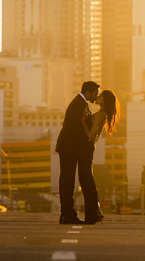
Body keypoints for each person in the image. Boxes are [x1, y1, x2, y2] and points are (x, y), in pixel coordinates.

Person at [56, 81, 99, 225]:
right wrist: (87, 136)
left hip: (70, 148)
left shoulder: (81, 102)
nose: (96, 96)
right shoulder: (78, 104)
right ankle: (67, 214)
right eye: (95, 93)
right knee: (67, 181)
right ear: (89, 91)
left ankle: (66, 214)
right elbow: (73, 127)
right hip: (69, 147)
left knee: (67, 180)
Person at [81, 89, 121, 224]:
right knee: (88, 180)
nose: (97, 96)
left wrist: (82, 121)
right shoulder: (102, 114)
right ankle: (96, 210)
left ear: (104, 100)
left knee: (87, 181)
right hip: (89, 148)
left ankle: (95, 211)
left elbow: (91, 136)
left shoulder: (100, 114)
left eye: (100, 95)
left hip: (87, 147)